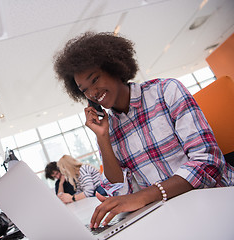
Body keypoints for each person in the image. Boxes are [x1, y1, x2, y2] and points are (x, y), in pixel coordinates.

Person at [53, 31, 234, 228]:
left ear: (115, 68)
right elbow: (119, 190)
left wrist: (145, 196)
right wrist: (103, 138)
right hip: (171, 215)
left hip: (216, 202)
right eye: (84, 90)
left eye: (95, 79)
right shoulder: (108, 126)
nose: (93, 93)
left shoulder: (166, 91)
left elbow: (207, 162)